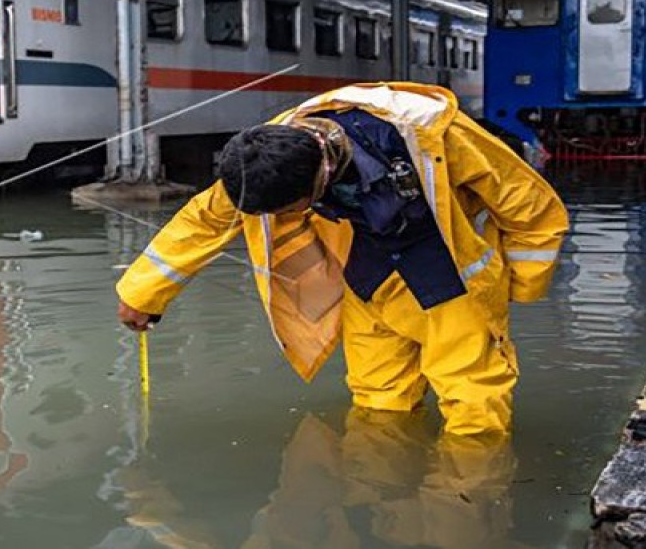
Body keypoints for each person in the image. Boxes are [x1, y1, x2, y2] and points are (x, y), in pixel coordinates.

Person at [115, 82, 569, 436]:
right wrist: (143, 294)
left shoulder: (430, 130)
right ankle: (389, 502)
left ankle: (470, 509)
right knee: (377, 405)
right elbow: (205, 220)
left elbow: (526, 201)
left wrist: (522, 286)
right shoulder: (269, 153)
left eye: (282, 212)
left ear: (315, 185)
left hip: (449, 283)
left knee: (474, 409)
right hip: (369, 282)